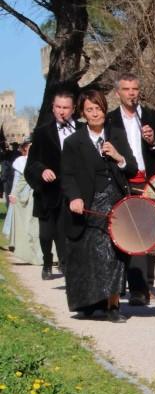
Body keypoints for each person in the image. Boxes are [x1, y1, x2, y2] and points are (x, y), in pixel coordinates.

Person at [61, 89, 138, 322]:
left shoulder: (116, 135)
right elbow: (68, 175)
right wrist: (74, 197)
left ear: (105, 109)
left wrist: (118, 156)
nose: (95, 114)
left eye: (99, 108)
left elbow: (132, 167)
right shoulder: (74, 142)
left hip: (115, 201)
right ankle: (90, 301)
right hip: (88, 204)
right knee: (90, 255)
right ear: (83, 114)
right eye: (90, 110)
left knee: (114, 253)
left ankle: (113, 305)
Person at [107, 73, 155, 306]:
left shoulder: (154, 118)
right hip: (124, 182)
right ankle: (136, 286)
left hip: (149, 182)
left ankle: (144, 284)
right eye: (126, 89)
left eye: (135, 89)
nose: (131, 93)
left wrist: (154, 142)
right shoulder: (110, 121)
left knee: (147, 233)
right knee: (130, 233)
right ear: (118, 93)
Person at [25, 82, 82, 280]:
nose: (62, 112)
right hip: (48, 192)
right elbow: (31, 165)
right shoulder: (42, 132)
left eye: (66, 108)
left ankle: (65, 264)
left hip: (72, 192)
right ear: (52, 107)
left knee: (64, 232)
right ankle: (47, 260)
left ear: (73, 109)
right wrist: (42, 171)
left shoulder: (81, 130)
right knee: (46, 234)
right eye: (58, 107)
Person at [4, 140, 43, 265]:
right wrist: (14, 194)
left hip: (46, 199)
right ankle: (37, 256)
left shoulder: (44, 161)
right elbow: (20, 180)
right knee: (33, 226)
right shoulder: (21, 162)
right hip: (30, 197)